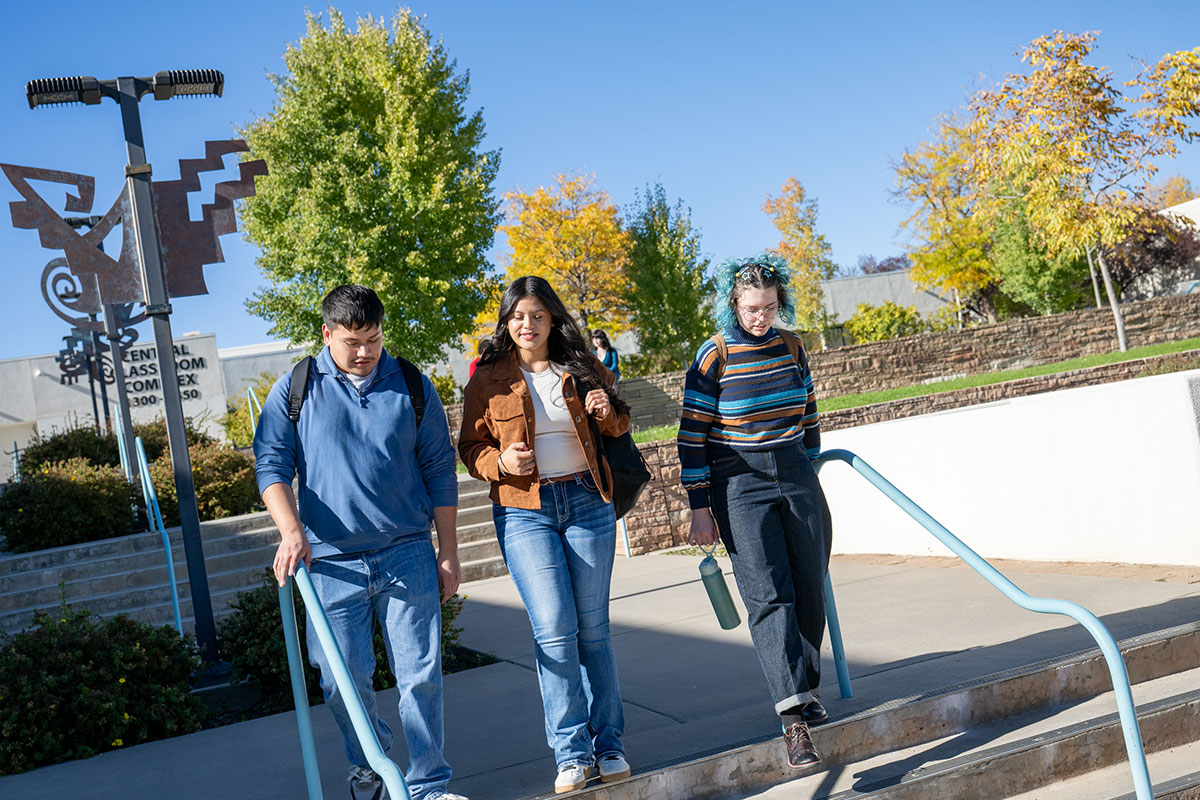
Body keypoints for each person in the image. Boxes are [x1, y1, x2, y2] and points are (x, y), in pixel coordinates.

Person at [254, 285, 467, 800]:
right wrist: (291, 531)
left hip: (406, 552)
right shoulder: (297, 387)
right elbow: (271, 465)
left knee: (420, 677)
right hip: (330, 564)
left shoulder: (412, 384)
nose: (365, 351)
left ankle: (428, 785)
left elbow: (440, 469)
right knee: (339, 682)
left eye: (373, 339)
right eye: (352, 341)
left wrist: (449, 550)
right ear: (327, 333)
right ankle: (369, 765)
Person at [458, 276, 632, 794]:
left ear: (552, 318)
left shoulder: (582, 367)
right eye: (517, 317)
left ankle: (610, 744)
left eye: (536, 315)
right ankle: (572, 754)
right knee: (554, 629)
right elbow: (469, 448)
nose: (526, 325)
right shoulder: (487, 377)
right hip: (524, 510)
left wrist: (608, 414)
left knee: (593, 629)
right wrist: (501, 461)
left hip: (586, 501)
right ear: (506, 323)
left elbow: (621, 423)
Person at [677, 253, 833, 770]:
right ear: (733, 305)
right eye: (750, 308)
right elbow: (691, 437)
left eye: (768, 307)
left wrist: (807, 465)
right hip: (736, 476)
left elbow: (808, 408)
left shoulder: (791, 345)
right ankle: (793, 722)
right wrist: (701, 507)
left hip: (793, 469)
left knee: (810, 582)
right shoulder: (713, 355)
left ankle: (805, 691)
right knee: (769, 594)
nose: (759, 316)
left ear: (779, 303)